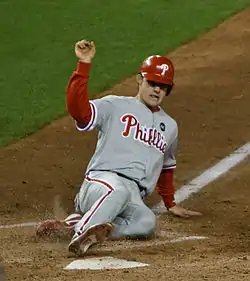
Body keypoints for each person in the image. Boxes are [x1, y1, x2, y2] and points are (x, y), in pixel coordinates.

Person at [36, 39, 202, 256]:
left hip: (133, 196)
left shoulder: (170, 126)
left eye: (163, 86)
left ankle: (79, 226)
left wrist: (170, 203)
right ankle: (81, 233)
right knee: (118, 190)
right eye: (152, 83)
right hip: (101, 183)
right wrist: (83, 66)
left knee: (146, 222)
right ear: (139, 80)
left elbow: (167, 166)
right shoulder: (115, 105)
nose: (157, 90)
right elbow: (80, 112)